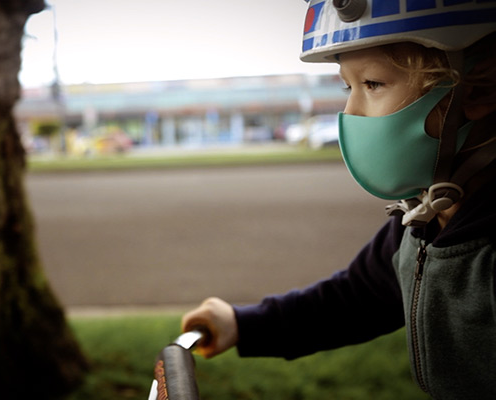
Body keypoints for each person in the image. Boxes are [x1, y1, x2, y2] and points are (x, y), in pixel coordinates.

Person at [181, 1, 496, 398]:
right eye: (349, 86)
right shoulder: (425, 219)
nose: (350, 112)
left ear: (479, 88)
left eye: (373, 84)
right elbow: (355, 298)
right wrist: (243, 324)